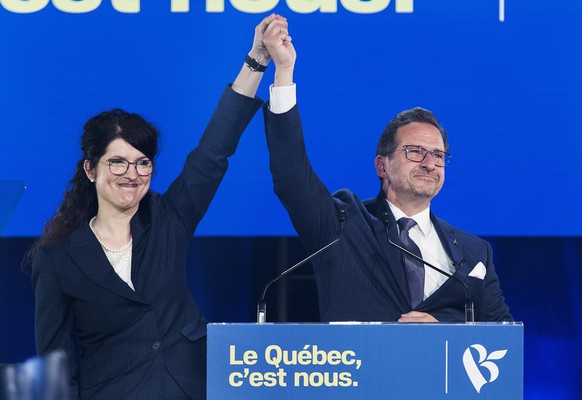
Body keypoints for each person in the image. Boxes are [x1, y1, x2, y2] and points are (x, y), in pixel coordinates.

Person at [28, 14, 286, 400]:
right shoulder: (57, 258)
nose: (132, 173)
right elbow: (56, 366)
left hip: (195, 387)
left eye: (143, 161)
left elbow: (213, 152)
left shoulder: (168, 217)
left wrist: (256, 61)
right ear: (91, 169)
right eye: (117, 161)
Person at [261, 19, 513, 323]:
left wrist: (446, 328)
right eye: (415, 151)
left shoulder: (475, 252)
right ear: (382, 165)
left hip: (442, 371)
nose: (429, 163)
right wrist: (284, 72)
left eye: (438, 155)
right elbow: (291, 176)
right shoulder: (343, 225)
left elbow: (502, 337)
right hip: (357, 370)